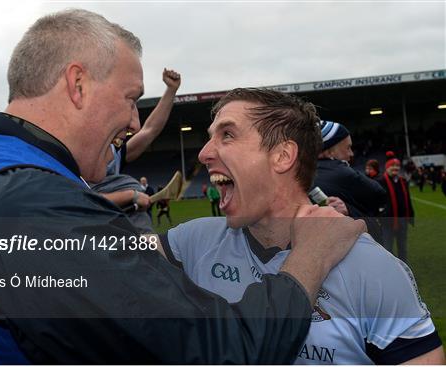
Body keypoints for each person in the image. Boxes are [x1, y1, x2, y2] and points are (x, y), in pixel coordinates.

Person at [0, 9, 366, 364]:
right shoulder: (29, 204)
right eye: (132, 98)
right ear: (78, 85)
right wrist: (311, 251)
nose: (134, 121)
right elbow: (227, 352)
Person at [158, 88, 444, 365]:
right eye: (211, 138)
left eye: (227, 135)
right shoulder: (192, 239)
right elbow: (115, 251)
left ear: (283, 156)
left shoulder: (372, 267)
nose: (204, 153)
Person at [98, 68, 181, 211]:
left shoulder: (116, 153)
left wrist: (171, 90)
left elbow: (150, 130)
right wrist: (130, 195)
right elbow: (79, 200)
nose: (134, 128)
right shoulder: (68, 156)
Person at [314, 120, 386, 242]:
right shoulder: (342, 173)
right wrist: (351, 209)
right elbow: (379, 194)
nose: (351, 154)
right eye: (347, 148)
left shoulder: (300, 173)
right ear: (329, 151)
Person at [378, 152, 415, 263]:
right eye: (392, 166)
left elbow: (407, 199)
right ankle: (389, 268)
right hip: (388, 221)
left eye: (397, 166)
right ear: (387, 168)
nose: (395, 168)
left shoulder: (403, 181)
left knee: (402, 247)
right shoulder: (381, 181)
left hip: (402, 220)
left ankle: (403, 268)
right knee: (387, 247)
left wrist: (411, 215)